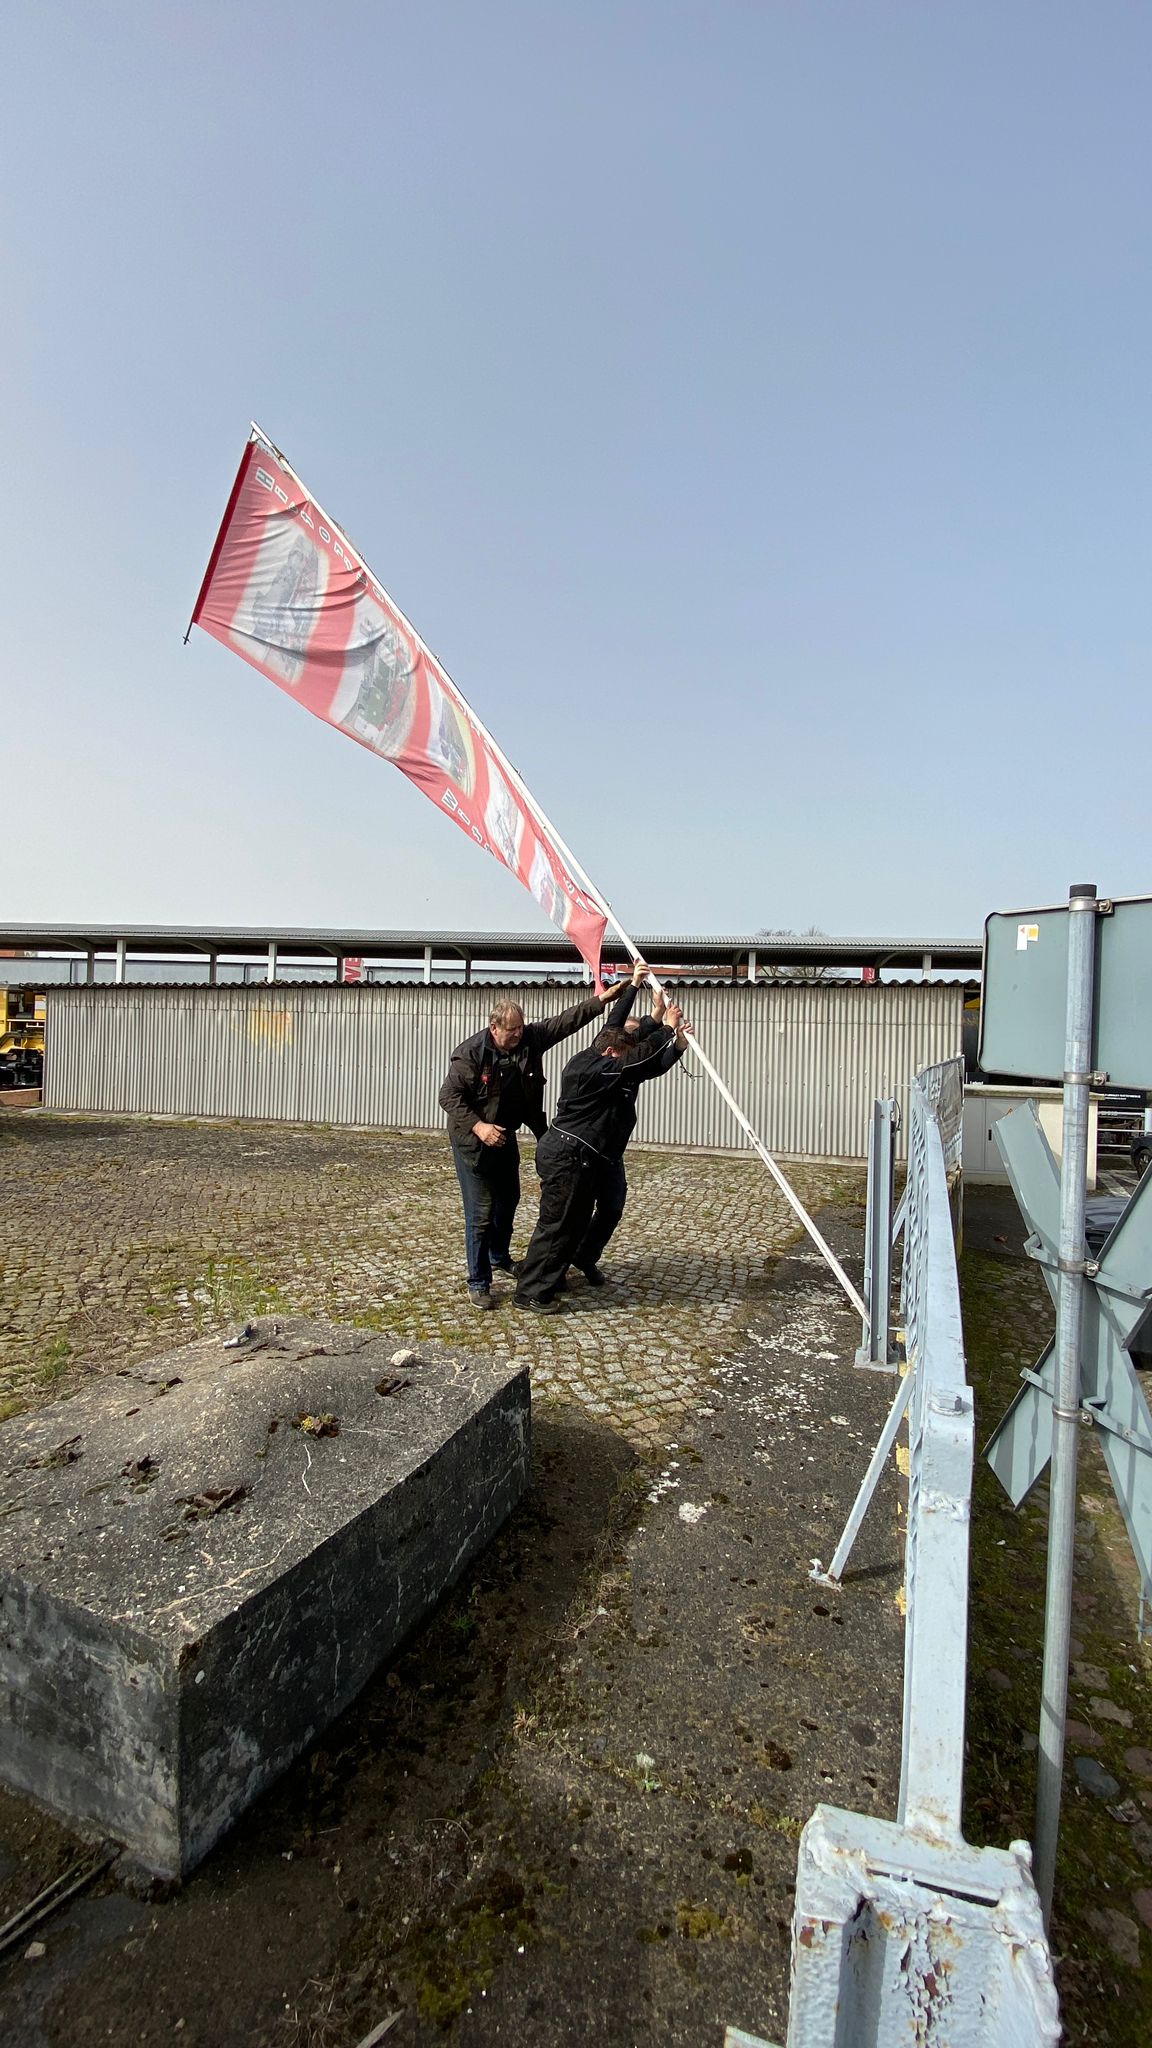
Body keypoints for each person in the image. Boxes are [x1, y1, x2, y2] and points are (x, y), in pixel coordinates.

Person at [438, 974, 643, 1309]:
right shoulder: (470, 1054)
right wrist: (479, 1127)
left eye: (521, 1028)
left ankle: (499, 1256)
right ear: (494, 1027)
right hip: (473, 1143)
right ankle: (479, 1281)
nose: (519, 1034)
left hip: (505, 1136)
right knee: (481, 1212)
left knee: (509, 1200)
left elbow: (566, 1022)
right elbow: (448, 1097)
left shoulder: (529, 1039)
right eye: (512, 1030)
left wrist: (604, 1000)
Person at [513, 1002, 691, 1314]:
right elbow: (639, 1055)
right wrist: (666, 1027)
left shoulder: (602, 1058)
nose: (628, 1057)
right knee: (557, 1224)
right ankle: (530, 1291)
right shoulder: (593, 1069)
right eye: (624, 1052)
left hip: (585, 1154)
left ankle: (551, 1278)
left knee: (574, 1222)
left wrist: (636, 987)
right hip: (568, 1154)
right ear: (610, 1052)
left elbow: (626, 1036)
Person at [572, 976, 668, 1284]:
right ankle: (556, 1267)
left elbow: (654, 1061)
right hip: (586, 1149)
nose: (632, 1045)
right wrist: (664, 1023)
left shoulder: (629, 1067)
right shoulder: (601, 1065)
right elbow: (623, 1027)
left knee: (612, 1208)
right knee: (575, 1212)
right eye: (628, 1039)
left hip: (612, 1151)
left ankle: (585, 1256)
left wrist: (665, 1023)